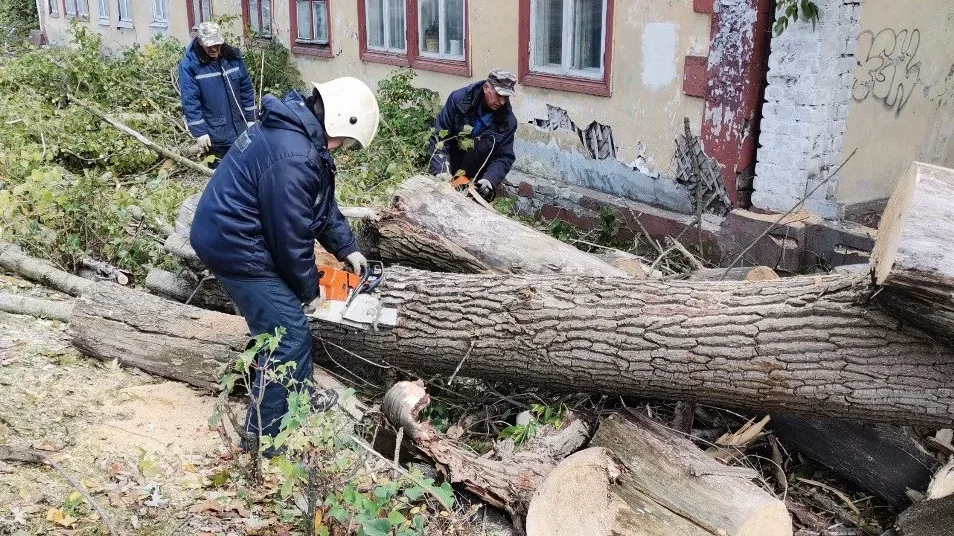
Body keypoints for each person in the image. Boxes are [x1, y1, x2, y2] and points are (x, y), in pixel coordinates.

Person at [189, 77, 379, 452]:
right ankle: (265, 438)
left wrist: (346, 247)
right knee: (289, 334)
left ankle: (296, 397)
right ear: (340, 121)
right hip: (234, 245)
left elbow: (318, 205)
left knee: (282, 327)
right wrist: (310, 293)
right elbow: (290, 237)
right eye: (344, 140)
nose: (341, 148)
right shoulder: (295, 155)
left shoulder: (298, 134)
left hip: (235, 233)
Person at [428, 69, 519, 202]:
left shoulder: (508, 122)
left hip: (475, 184)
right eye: (499, 95)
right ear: (486, 88)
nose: (502, 102)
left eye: (506, 97)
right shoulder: (458, 100)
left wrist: (489, 181)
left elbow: (503, 157)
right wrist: (441, 169)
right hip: (447, 172)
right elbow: (439, 137)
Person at [178, 22, 257, 167]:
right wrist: (200, 132)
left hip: (241, 129)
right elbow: (190, 101)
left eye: (217, 44)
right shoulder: (190, 66)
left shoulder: (232, 58)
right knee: (220, 176)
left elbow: (246, 89)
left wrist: (251, 118)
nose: (214, 49)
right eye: (210, 46)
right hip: (216, 134)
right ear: (200, 41)